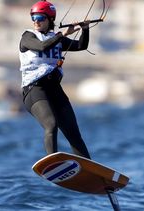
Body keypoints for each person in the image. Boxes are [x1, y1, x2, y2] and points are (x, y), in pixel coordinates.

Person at [19, 0, 91, 159]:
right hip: (34, 90)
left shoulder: (56, 38)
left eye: (40, 17)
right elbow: (42, 47)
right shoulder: (28, 36)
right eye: (33, 17)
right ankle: (53, 162)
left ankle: (90, 170)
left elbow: (80, 45)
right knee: (51, 125)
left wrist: (85, 29)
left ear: (50, 19)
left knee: (73, 133)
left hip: (55, 90)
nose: (36, 21)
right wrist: (62, 35)